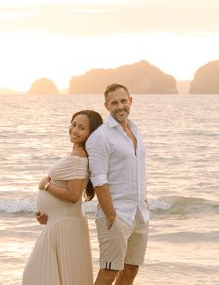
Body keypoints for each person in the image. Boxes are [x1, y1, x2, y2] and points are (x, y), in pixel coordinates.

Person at [23, 110, 104, 285]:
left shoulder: (79, 156)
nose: (74, 130)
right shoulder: (76, 154)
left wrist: (45, 186)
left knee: (36, 274)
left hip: (64, 224)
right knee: (49, 276)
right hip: (58, 222)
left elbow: (73, 196)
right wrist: (44, 213)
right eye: (73, 124)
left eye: (81, 128)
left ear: (91, 134)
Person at [86, 83, 149, 285]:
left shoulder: (136, 130)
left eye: (123, 101)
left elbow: (138, 171)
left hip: (139, 213)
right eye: (114, 103)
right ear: (106, 106)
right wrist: (112, 216)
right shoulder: (100, 137)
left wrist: (145, 203)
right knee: (108, 273)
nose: (120, 106)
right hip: (116, 215)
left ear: (131, 101)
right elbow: (99, 179)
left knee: (131, 269)